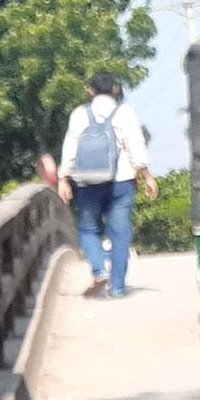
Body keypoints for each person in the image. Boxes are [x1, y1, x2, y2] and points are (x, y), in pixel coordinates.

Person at [58, 71, 155, 297]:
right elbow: (135, 146)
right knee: (120, 234)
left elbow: (70, 147)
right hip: (121, 182)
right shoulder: (125, 112)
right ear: (116, 89)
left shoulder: (80, 114)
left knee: (88, 229)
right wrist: (147, 176)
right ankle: (118, 287)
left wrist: (64, 178)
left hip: (87, 182)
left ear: (90, 91)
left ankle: (99, 268)